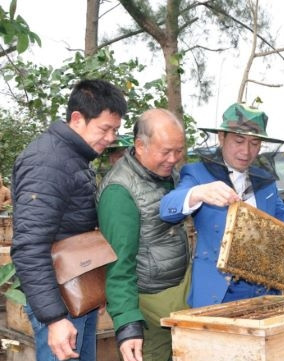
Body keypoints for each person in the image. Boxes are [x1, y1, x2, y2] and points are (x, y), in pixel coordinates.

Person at [11, 79, 126, 361]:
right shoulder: (47, 161)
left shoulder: (75, 158)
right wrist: (54, 319)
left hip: (76, 296)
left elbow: (76, 233)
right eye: (105, 128)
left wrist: (92, 288)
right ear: (77, 118)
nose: (111, 138)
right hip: (59, 305)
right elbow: (29, 246)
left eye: (115, 130)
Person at [160, 103, 284, 308]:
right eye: (239, 141)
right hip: (218, 291)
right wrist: (197, 193)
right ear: (222, 138)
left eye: (254, 143)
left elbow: (282, 217)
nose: (246, 151)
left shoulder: (265, 182)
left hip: (264, 289)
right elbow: (166, 208)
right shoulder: (198, 174)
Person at [97, 109, 189, 361]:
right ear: (140, 145)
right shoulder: (120, 191)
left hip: (178, 294)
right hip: (148, 305)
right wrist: (128, 324)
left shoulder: (170, 175)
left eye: (178, 151)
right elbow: (118, 264)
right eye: (165, 151)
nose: (173, 159)